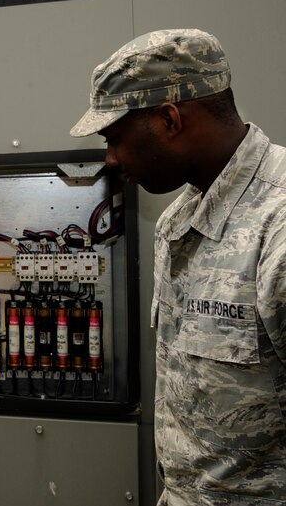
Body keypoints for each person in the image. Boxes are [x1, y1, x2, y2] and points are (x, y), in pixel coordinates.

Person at [70, 29, 286, 505]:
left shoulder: (278, 226)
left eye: (115, 137)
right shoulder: (178, 219)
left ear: (169, 119)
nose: (109, 158)